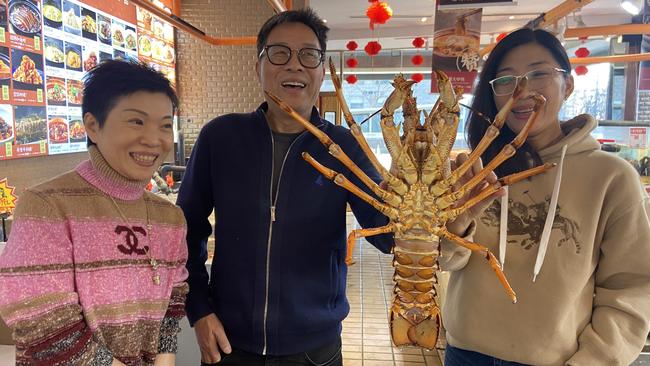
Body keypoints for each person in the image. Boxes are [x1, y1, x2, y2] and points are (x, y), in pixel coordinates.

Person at [177, 7, 393, 366]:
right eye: (279, 53)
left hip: (314, 350)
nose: (295, 65)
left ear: (322, 70)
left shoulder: (344, 146)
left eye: (309, 54)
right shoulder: (220, 137)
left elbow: (387, 235)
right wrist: (198, 309)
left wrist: (428, 207)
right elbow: (186, 232)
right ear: (258, 66)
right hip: (229, 345)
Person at [440, 27, 650, 365]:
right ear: (492, 94)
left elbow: (633, 288)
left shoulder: (611, 177)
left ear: (567, 84)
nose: (521, 90)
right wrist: (457, 224)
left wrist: (594, 360)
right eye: (505, 80)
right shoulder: (476, 169)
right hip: (464, 353)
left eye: (539, 73)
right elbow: (445, 261)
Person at [0, 60, 188, 366]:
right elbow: (43, 324)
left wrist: (165, 360)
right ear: (92, 126)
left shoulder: (169, 218)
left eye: (165, 125)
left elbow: (173, 302)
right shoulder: (46, 205)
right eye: (136, 122)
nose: (154, 139)